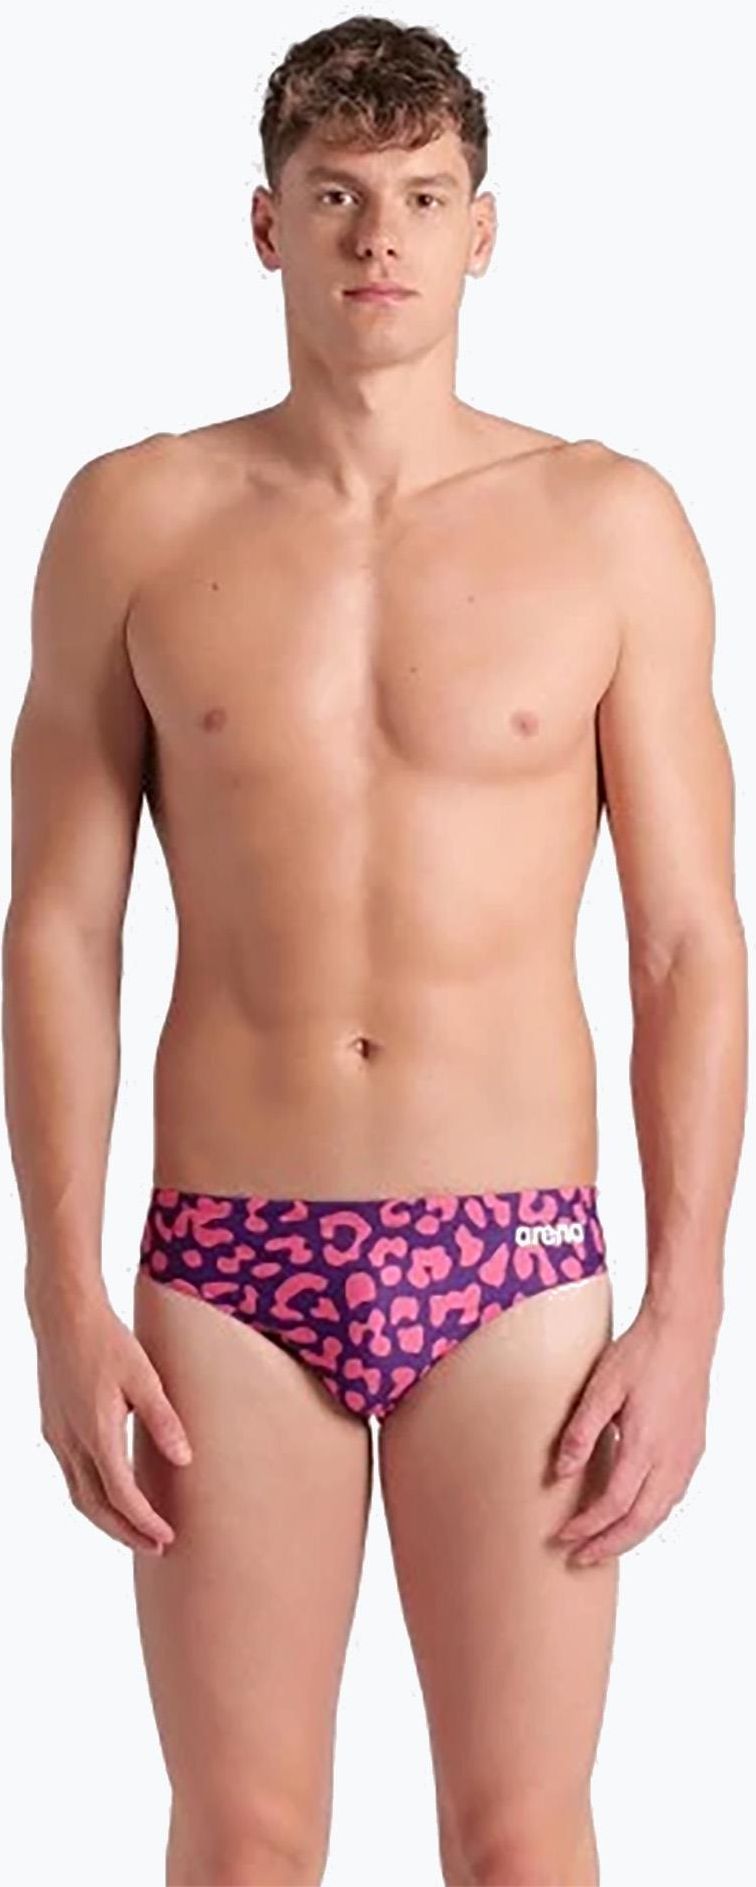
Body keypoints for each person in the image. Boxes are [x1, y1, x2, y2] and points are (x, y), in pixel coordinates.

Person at [3, 15, 747, 1887]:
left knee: (520, 1841)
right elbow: (61, 925)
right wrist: (61, 1294)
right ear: (266, 225)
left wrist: (687, 1311)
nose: (379, 237)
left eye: (422, 196)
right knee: (245, 1841)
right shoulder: (132, 517)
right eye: (336, 197)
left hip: (516, 1263)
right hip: (226, 1263)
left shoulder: (611, 523)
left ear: (484, 230)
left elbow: (687, 943)